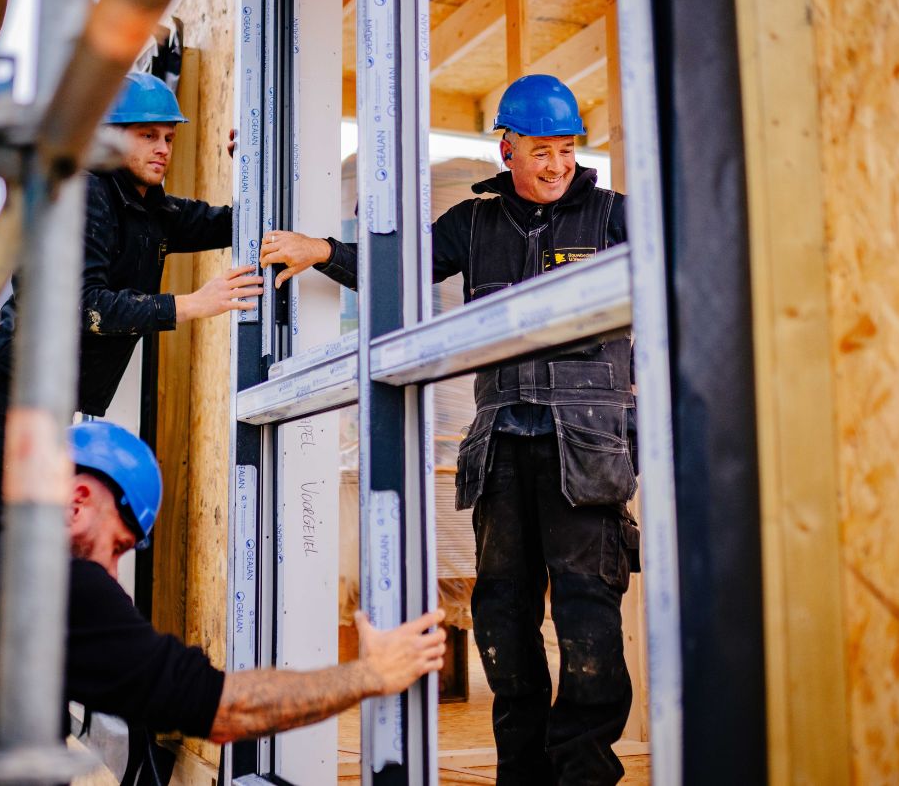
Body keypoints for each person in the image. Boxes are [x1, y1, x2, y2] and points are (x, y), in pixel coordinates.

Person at [260, 74, 640, 785]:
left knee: (591, 626)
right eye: (540, 151)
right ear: (507, 148)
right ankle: (520, 776)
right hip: (501, 450)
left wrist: (641, 426)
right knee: (502, 622)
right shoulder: (474, 224)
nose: (556, 165)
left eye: (566, 150)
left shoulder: (616, 218)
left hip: (586, 453)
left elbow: (666, 310)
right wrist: (322, 250)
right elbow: (397, 274)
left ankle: (584, 776)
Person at [0, 420, 446, 785]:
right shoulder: (44, 575)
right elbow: (222, 710)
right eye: (119, 545)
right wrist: (372, 673)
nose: (111, 569)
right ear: (77, 501)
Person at [0, 72, 263, 488]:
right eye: (147, 136)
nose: (162, 149)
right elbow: (86, 306)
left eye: (168, 138)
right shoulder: (80, 193)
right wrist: (193, 302)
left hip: (47, 397)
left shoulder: (148, 209)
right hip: (12, 395)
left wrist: (252, 166)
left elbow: (233, 225)